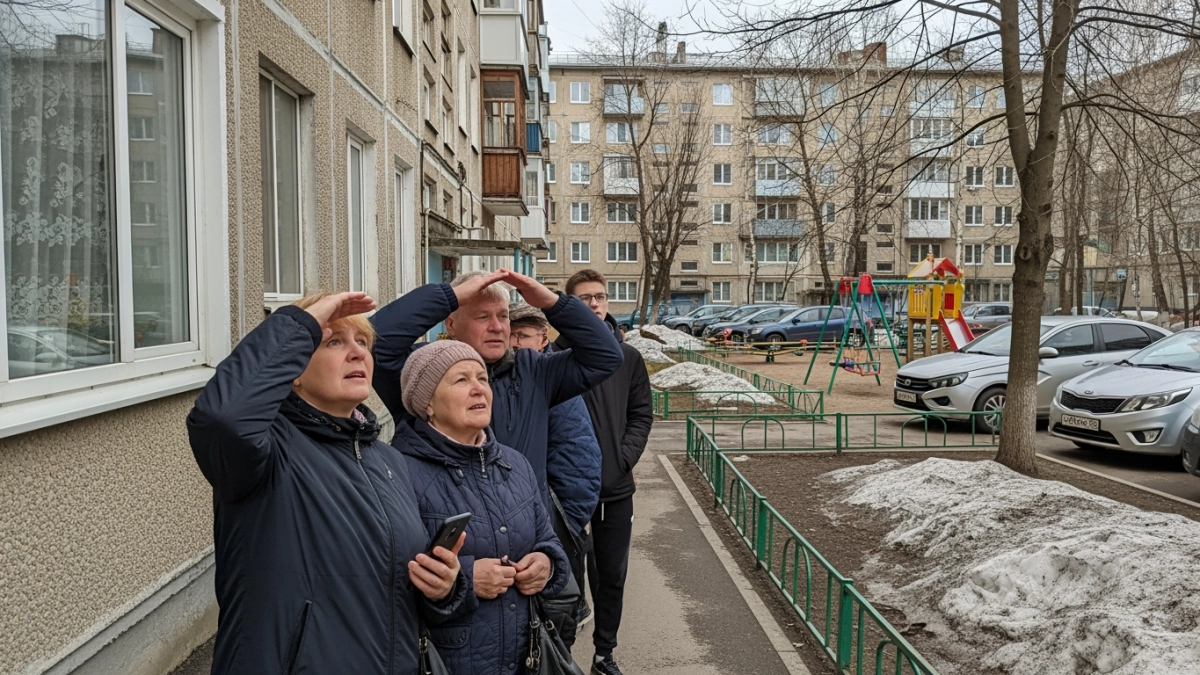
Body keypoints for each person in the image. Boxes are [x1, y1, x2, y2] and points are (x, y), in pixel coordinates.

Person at [187, 292, 467, 674]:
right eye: (333, 342)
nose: (357, 354)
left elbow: (393, 590)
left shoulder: (387, 460)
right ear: (294, 370)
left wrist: (443, 587)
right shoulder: (266, 453)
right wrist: (297, 325)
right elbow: (222, 418)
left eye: (363, 343)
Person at [371, 269, 621, 506]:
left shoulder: (535, 371)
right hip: (445, 543)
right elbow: (375, 343)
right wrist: (449, 296)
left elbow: (606, 355)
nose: (497, 326)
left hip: (529, 542)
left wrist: (553, 302)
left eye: (503, 316)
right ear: (451, 325)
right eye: (482, 316)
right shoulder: (424, 371)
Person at [394, 339, 570, 674]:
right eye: (461, 380)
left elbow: (548, 540)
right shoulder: (399, 472)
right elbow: (389, 585)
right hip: (446, 661)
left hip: (524, 656)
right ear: (426, 401)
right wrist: (465, 581)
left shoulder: (515, 464)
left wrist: (546, 564)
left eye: (482, 379)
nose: (478, 389)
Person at [556, 270, 654, 675]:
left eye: (599, 297)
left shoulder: (628, 358)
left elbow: (641, 415)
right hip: (562, 494)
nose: (594, 304)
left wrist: (622, 457)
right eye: (583, 299)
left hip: (615, 489)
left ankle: (603, 654)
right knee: (564, 579)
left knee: (611, 574)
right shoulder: (554, 358)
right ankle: (559, 654)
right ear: (568, 307)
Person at [510, 303, 602, 643]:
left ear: (543, 337)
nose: (515, 343)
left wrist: (564, 524)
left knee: (552, 624)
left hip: (551, 524)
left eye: (522, 335)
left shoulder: (550, 377)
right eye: (511, 335)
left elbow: (578, 461)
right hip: (531, 524)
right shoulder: (511, 376)